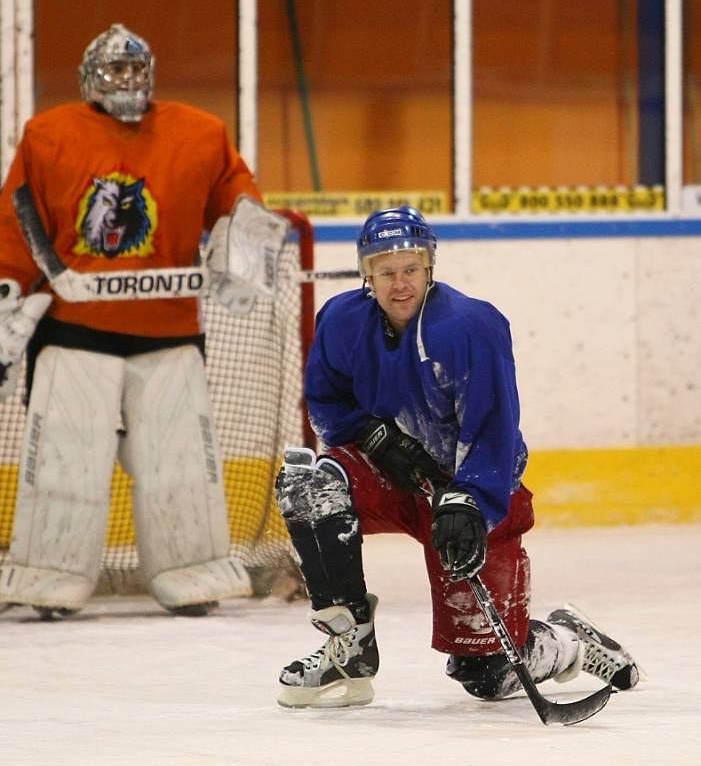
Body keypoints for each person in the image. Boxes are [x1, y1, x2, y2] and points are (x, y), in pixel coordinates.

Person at [274, 206, 642, 708]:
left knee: (485, 674)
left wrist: (468, 499)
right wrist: (373, 436)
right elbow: (326, 402)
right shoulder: (341, 321)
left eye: (410, 270)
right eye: (386, 272)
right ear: (367, 274)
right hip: (395, 483)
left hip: (473, 493)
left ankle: (566, 643)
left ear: (429, 269)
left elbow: (495, 430)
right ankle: (349, 645)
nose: (399, 284)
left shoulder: (470, 327)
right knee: (310, 485)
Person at [0, 23, 268, 619]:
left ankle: (192, 572)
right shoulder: (47, 136)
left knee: (178, 463)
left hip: (170, 333)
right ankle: (48, 576)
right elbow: (16, 226)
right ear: (87, 79)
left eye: (134, 70)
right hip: (74, 332)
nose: (125, 80)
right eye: (114, 70)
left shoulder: (201, 133)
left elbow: (240, 198)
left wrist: (244, 245)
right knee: (65, 460)